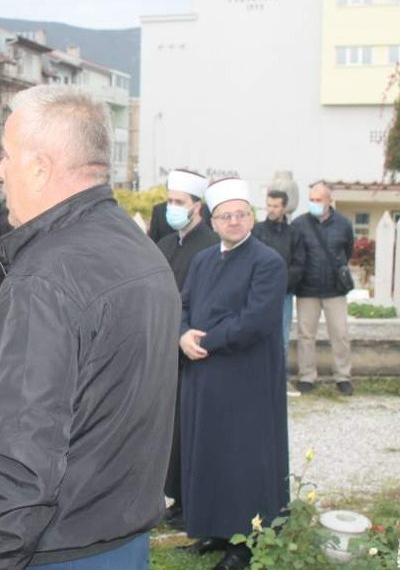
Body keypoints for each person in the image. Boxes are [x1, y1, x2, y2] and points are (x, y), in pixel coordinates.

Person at [0, 85, 179, 569]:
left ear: (41, 167)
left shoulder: (45, 279)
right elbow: (78, 363)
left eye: (6, 156)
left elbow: (22, 465)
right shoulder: (135, 245)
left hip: (54, 548)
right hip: (120, 536)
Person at [177, 178, 289, 570]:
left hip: (246, 377)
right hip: (204, 378)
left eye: (242, 214)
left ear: (252, 218)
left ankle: (245, 541)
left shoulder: (268, 262)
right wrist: (181, 334)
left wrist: (203, 340)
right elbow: (183, 305)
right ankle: (213, 528)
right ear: (214, 221)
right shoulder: (204, 260)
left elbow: (254, 322)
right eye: (227, 216)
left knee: (243, 458)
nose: (235, 222)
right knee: (207, 453)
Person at [155, 168, 215, 530]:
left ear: (198, 207)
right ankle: (171, 495)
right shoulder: (164, 243)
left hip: (192, 349)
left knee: (189, 429)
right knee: (167, 430)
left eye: (180, 202)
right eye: (170, 201)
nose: (172, 208)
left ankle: (189, 499)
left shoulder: (208, 245)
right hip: (163, 349)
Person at [291, 182, 355, 395]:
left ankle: (342, 376)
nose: (314, 203)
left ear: (329, 201)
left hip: (334, 290)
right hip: (307, 289)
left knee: (340, 334)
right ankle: (307, 376)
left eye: (318, 200)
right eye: (312, 199)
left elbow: (348, 250)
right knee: (306, 335)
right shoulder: (299, 224)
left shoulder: (343, 224)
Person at [252, 189, 306, 372]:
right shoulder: (257, 231)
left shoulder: (294, 234)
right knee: (257, 335)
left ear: (284, 207)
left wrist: (282, 284)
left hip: (284, 294)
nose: (271, 209)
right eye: (269, 205)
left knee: (282, 338)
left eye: (276, 206)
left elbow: (299, 264)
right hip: (259, 294)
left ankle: (279, 378)